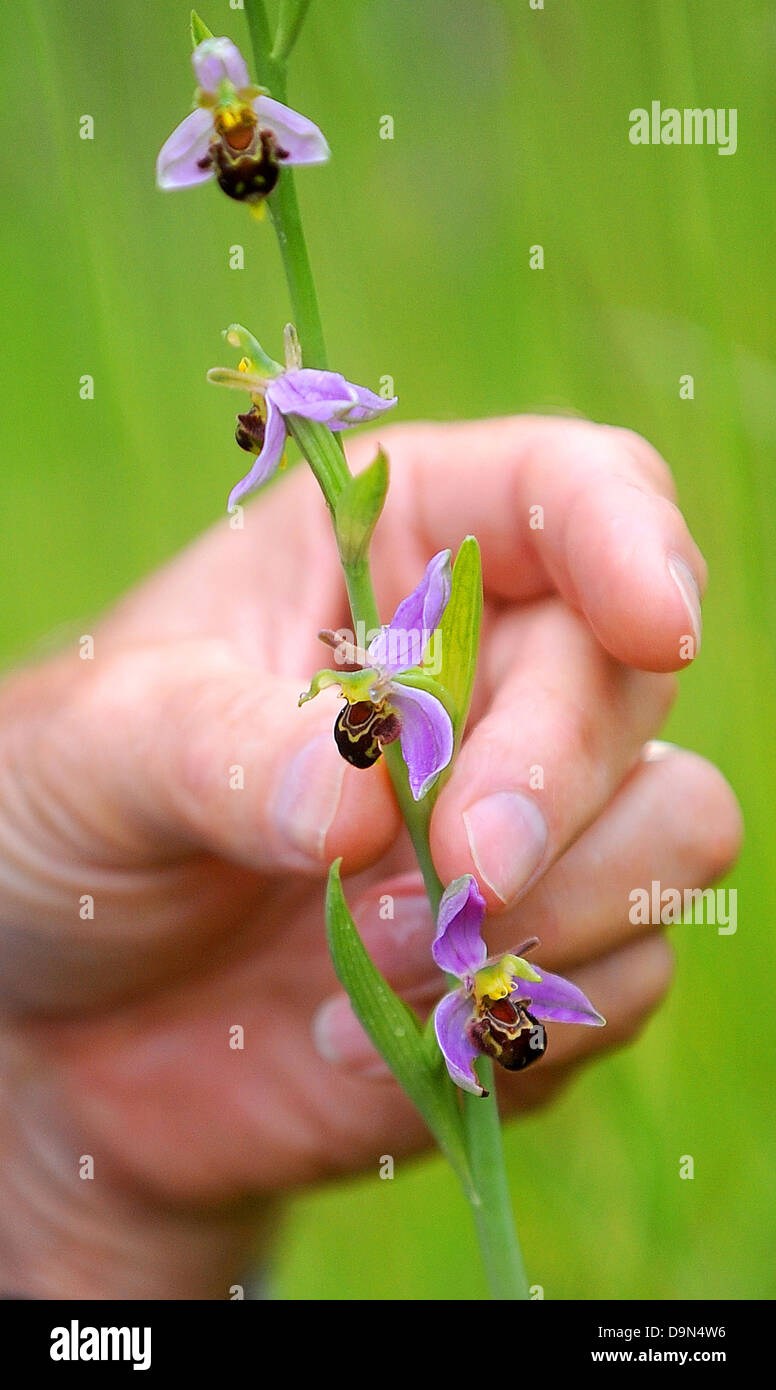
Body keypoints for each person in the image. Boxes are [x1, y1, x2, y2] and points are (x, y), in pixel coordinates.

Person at [0, 417, 741, 1298]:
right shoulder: (391, 720)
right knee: (478, 830)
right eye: (351, 699)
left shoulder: (420, 726)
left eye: (362, 699)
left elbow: (519, 993)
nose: (355, 707)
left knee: (482, 833)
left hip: (78, 1181)